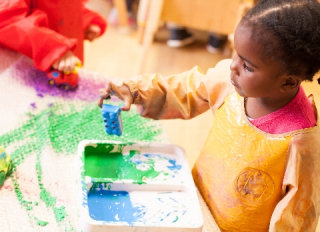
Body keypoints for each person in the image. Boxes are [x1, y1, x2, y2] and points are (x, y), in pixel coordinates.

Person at [99, 0, 320, 231]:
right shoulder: (228, 80)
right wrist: (136, 92)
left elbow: (297, 219)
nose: (233, 66)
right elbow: (184, 90)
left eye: (247, 66)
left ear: (288, 81)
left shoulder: (301, 142)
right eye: (236, 54)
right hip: (195, 207)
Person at [0, 0, 107, 74]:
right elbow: (9, 19)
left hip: (62, 63)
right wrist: (52, 48)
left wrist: (84, 21)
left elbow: (61, 6)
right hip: (21, 68)